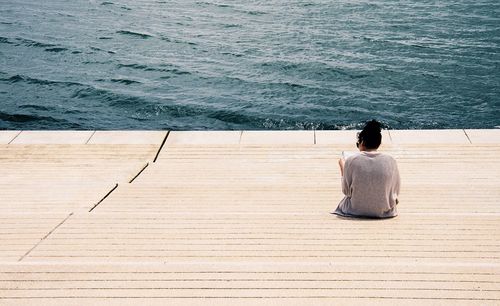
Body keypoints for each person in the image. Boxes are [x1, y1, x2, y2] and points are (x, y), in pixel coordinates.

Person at [334, 120, 400, 218]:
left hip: (355, 210)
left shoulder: (351, 160)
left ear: (363, 142)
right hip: (384, 211)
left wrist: (343, 167)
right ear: (379, 143)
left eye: (358, 144)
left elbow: (346, 191)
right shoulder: (391, 160)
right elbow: (395, 192)